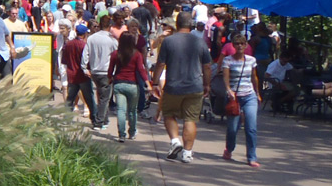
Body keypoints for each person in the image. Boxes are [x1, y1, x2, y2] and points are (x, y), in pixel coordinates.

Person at [152, 11, 212, 163]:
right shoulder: (200, 42)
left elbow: (160, 64)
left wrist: (154, 82)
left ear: (176, 24)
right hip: (195, 86)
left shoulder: (168, 41)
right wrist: (207, 84)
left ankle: (175, 141)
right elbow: (207, 67)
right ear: (191, 25)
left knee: (168, 113)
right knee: (190, 119)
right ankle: (187, 152)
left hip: (173, 85)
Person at [222, 34, 263, 167]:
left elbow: (254, 77)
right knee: (233, 128)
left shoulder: (251, 60)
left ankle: (251, 157)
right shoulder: (228, 60)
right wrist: (229, 90)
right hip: (235, 97)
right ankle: (229, 148)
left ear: (246, 45)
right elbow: (226, 78)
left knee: (251, 127)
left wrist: (257, 93)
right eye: (237, 44)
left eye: (242, 43)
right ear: (233, 46)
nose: (239, 46)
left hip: (249, 95)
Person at [110, 31, 152, 141]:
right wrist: (148, 83)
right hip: (133, 85)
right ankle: (132, 132)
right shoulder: (136, 54)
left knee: (121, 110)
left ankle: (121, 134)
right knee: (132, 111)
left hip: (119, 84)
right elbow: (141, 70)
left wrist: (110, 78)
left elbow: (110, 70)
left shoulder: (116, 53)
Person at [82, 15, 119, 130]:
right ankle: (99, 122)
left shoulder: (92, 38)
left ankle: (105, 119)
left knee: (102, 95)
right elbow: (117, 55)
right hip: (106, 71)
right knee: (104, 97)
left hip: (94, 71)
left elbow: (85, 54)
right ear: (110, 25)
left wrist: (84, 67)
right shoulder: (112, 40)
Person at [62, 23, 96, 124]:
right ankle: (94, 120)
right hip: (83, 75)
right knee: (89, 99)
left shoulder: (68, 44)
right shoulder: (84, 45)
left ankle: (67, 118)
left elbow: (64, 60)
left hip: (72, 74)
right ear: (85, 34)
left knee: (70, 98)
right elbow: (88, 60)